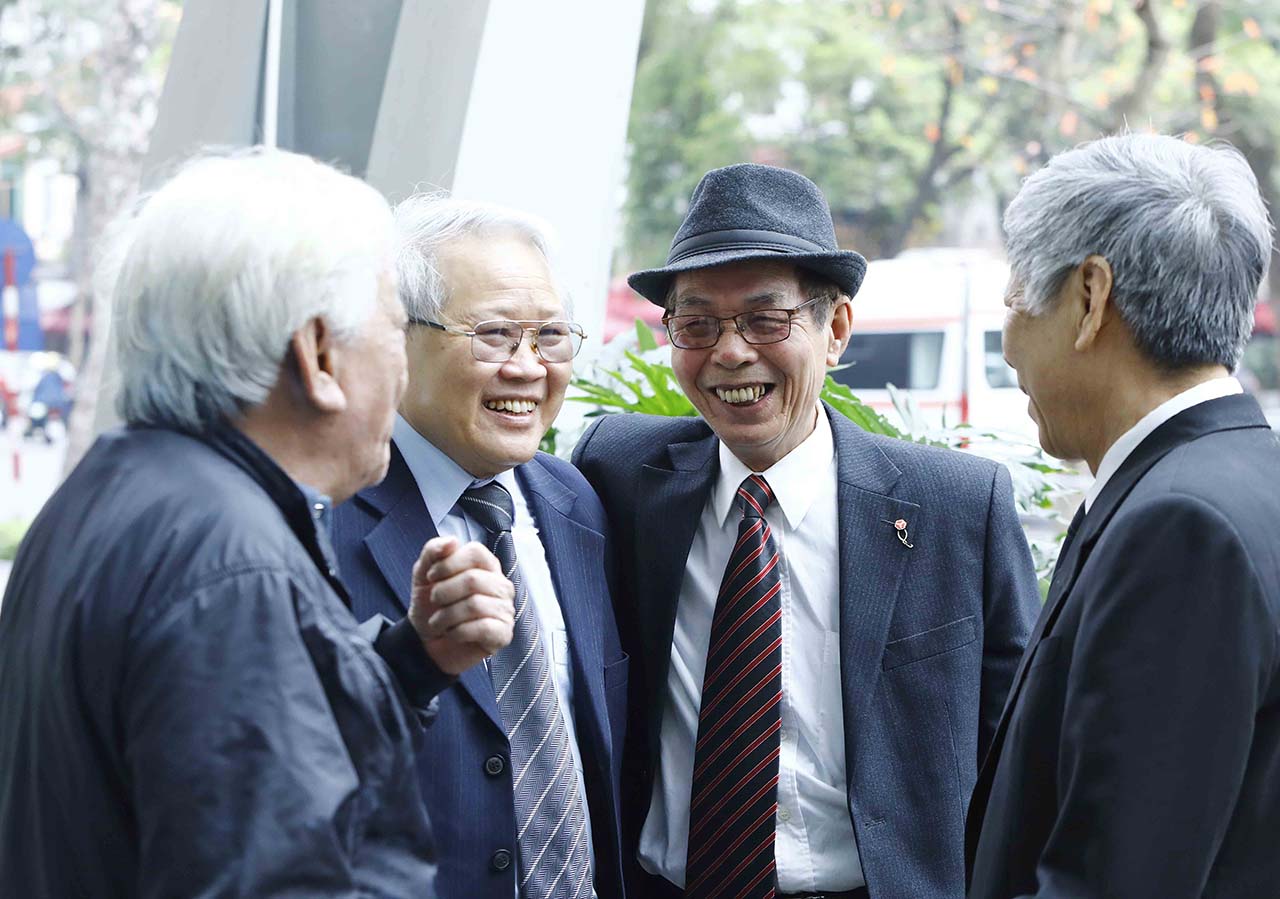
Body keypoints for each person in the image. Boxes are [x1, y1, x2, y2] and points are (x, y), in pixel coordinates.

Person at [0, 149, 516, 897]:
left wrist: (410, 664)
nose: (402, 371)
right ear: (318, 355)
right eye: (394, 331)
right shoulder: (233, 566)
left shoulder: (117, 493)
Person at [572, 163, 1041, 899]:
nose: (730, 352)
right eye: (697, 324)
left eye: (766, 320)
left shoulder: (956, 508)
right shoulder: (619, 473)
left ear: (836, 330)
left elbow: (1024, 752)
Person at [964, 133, 1280, 898]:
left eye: (1014, 302)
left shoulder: (1179, 527)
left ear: (1090, 296)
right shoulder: (1243, 477)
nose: (1008, 346)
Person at [331, 194, 628, 899]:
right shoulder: (326, 515)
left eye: (549, 335)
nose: (528, 367)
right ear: (399, 339)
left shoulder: (574, 501)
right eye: (494, 334)